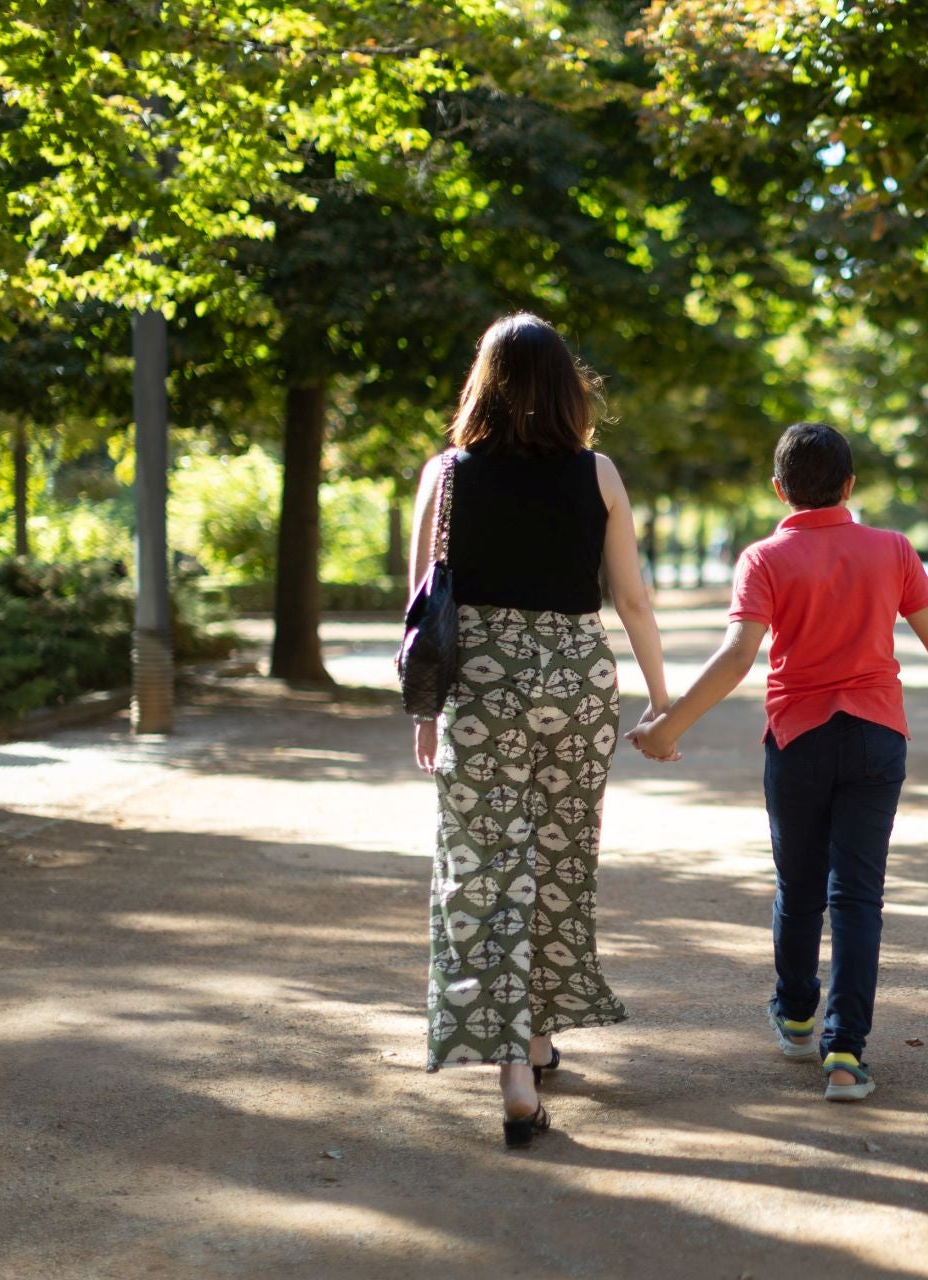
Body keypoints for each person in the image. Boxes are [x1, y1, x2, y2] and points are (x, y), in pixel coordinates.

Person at [627, 423, 928, 1102]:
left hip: (798, 740)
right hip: (877, 738)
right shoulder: (892, 549)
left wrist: (666, 727)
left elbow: (739, 656)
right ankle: (847, 1053)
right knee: (857, 895)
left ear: (779, 489)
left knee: (798, 887)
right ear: (850, 487)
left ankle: (798, 1012)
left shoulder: (763, 558)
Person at [407, 313, 670, 1147]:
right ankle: (536, 1037)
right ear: (569, 387)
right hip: (576, 684)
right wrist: (660, 695)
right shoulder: (598, 473)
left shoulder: (446, 475)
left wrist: (423, 713)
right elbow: (631, 600)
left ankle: (517, 1073)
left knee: (486, 868)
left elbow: (421, 604)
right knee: (557, 860)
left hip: (479, 685)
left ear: (481, 383)